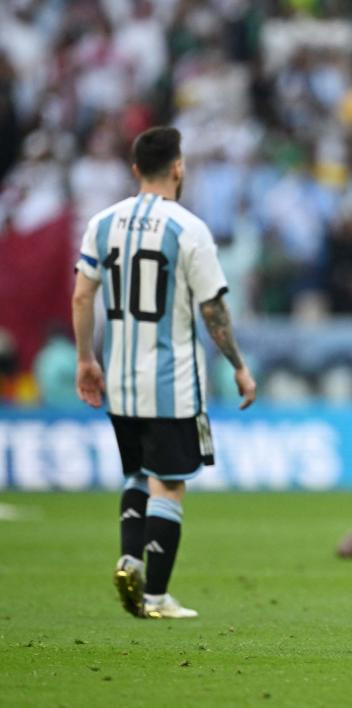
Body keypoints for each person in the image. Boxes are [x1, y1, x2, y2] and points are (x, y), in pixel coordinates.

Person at [72, 127, 257, 619]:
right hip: (171, 382)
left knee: (136, 474)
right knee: (169, 483)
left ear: (135, 169)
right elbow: (213, 309)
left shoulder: (102, 223)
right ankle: (154, 597)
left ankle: (130, 560)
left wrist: (85, 360)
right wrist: (238, 366)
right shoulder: (188, 228)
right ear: (178, 167)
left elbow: (81, 295)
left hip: (120, 381)